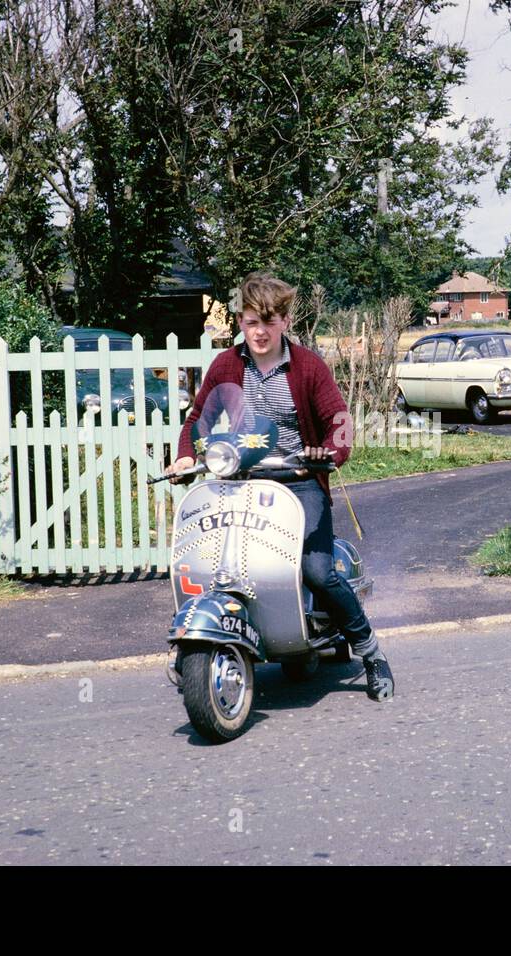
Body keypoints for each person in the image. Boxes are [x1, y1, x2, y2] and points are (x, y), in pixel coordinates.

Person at [167, 272, 395, 702]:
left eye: (269, 322)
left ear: (285, 322)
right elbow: (197, 418)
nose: (259, 331)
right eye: (251, 321)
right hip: (241, 482)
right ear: (240, 321)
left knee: (316, 571)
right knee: (217, 564)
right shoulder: (226, 365)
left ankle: (371, 652)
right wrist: (185, 455)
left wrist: (327, 452)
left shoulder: (307, 366)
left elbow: (339, 422)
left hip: (298, 483)